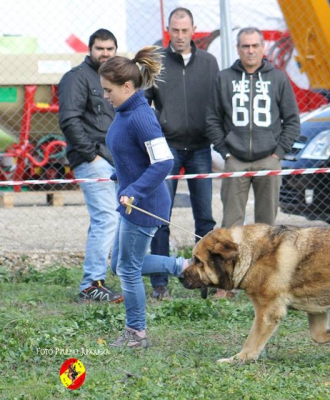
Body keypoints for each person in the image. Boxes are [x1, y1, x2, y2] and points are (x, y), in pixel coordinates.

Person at [99, 46, 191, 348]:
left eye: (108, 90)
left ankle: (136, 334)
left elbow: (163, 162)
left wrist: (135, 190)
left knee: (127, 269)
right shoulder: (125, 111)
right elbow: (131, 155)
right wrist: (120, 176)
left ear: (128, 86)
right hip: (131, 202)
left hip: (145, 205)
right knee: (120, 267)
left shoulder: (141, 117)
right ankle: (181, 267)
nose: (105, 96)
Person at [206, 27, 300, 298]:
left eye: (255, 46)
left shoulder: (278, 79)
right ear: (238, 49)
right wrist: (224, 151)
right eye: (245, 46)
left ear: (262, 48)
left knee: (267, 226)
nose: (250, 50)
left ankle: (266, 280)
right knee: (231, 225)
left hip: (268, 159)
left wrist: (278, 152)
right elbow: (212, 118)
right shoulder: (223, 79)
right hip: (235, 160)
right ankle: (227, 284)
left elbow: (292, 120)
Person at [146, 7, 218, 300]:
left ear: (193, 30)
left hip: (201, 148)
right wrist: (154, 139)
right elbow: (144, 104)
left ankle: (206, 278)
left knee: (205, 219)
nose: (179, 36)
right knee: (161, 216)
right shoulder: (155, 63)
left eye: (185, 30)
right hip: (169, 148)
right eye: (174, 30)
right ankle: (160, 282)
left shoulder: (210, 63)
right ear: (168, 30)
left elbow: (218, 103)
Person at [58, 29, 122, 303]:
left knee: (108, 220)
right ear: (90, 49)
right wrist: (91, 156)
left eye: (110, 49)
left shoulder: (115, 79)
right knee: (107, 219)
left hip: (114, 160)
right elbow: (69, 120)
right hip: (92, 160)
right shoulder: (77, 78)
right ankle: (90, 285)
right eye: (100, 48)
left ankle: (99, 279)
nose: (105, 53)